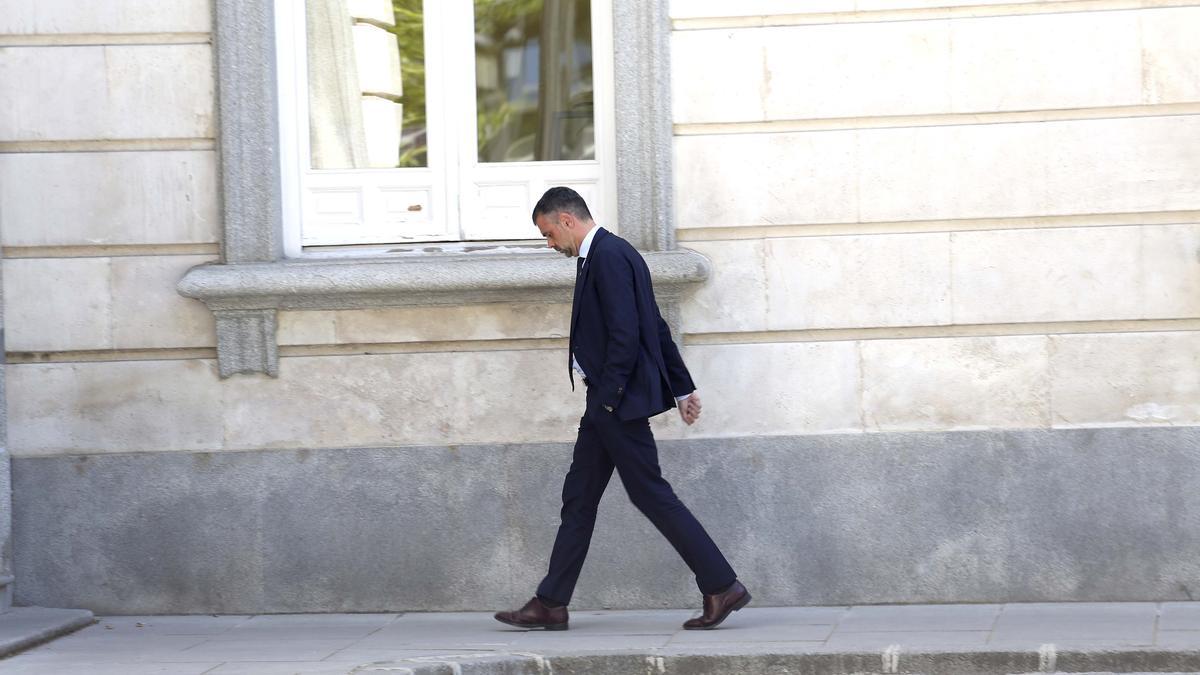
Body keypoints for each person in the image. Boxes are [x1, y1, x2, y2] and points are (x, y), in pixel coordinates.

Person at [494, 187, 750, 632]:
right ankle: (551, 602)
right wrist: (682, 387)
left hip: (615, 403)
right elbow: (655, 324)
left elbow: (628, 333)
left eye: (549, 233)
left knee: (650, 493)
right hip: (609, 402)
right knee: (579, 498)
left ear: (567, 220)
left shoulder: (609, 256)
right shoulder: (607, 255)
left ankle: (721, 584)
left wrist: (609, 398)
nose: (550, 244)